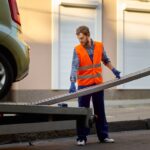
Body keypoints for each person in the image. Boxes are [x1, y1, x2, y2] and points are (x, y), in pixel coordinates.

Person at [69, 26, 121, 146]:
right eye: (78, 39)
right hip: (83, 86)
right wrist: (72, 82)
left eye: (82, 38)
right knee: (82, 112)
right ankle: (81, 137)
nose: (80, 41)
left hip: (97, 84)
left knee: (100, 111)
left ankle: (103, 136)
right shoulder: (77, 49)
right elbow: (74, 67)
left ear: (87, 35)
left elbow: (106, 60)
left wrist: (114, 70)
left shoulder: (99, 45)